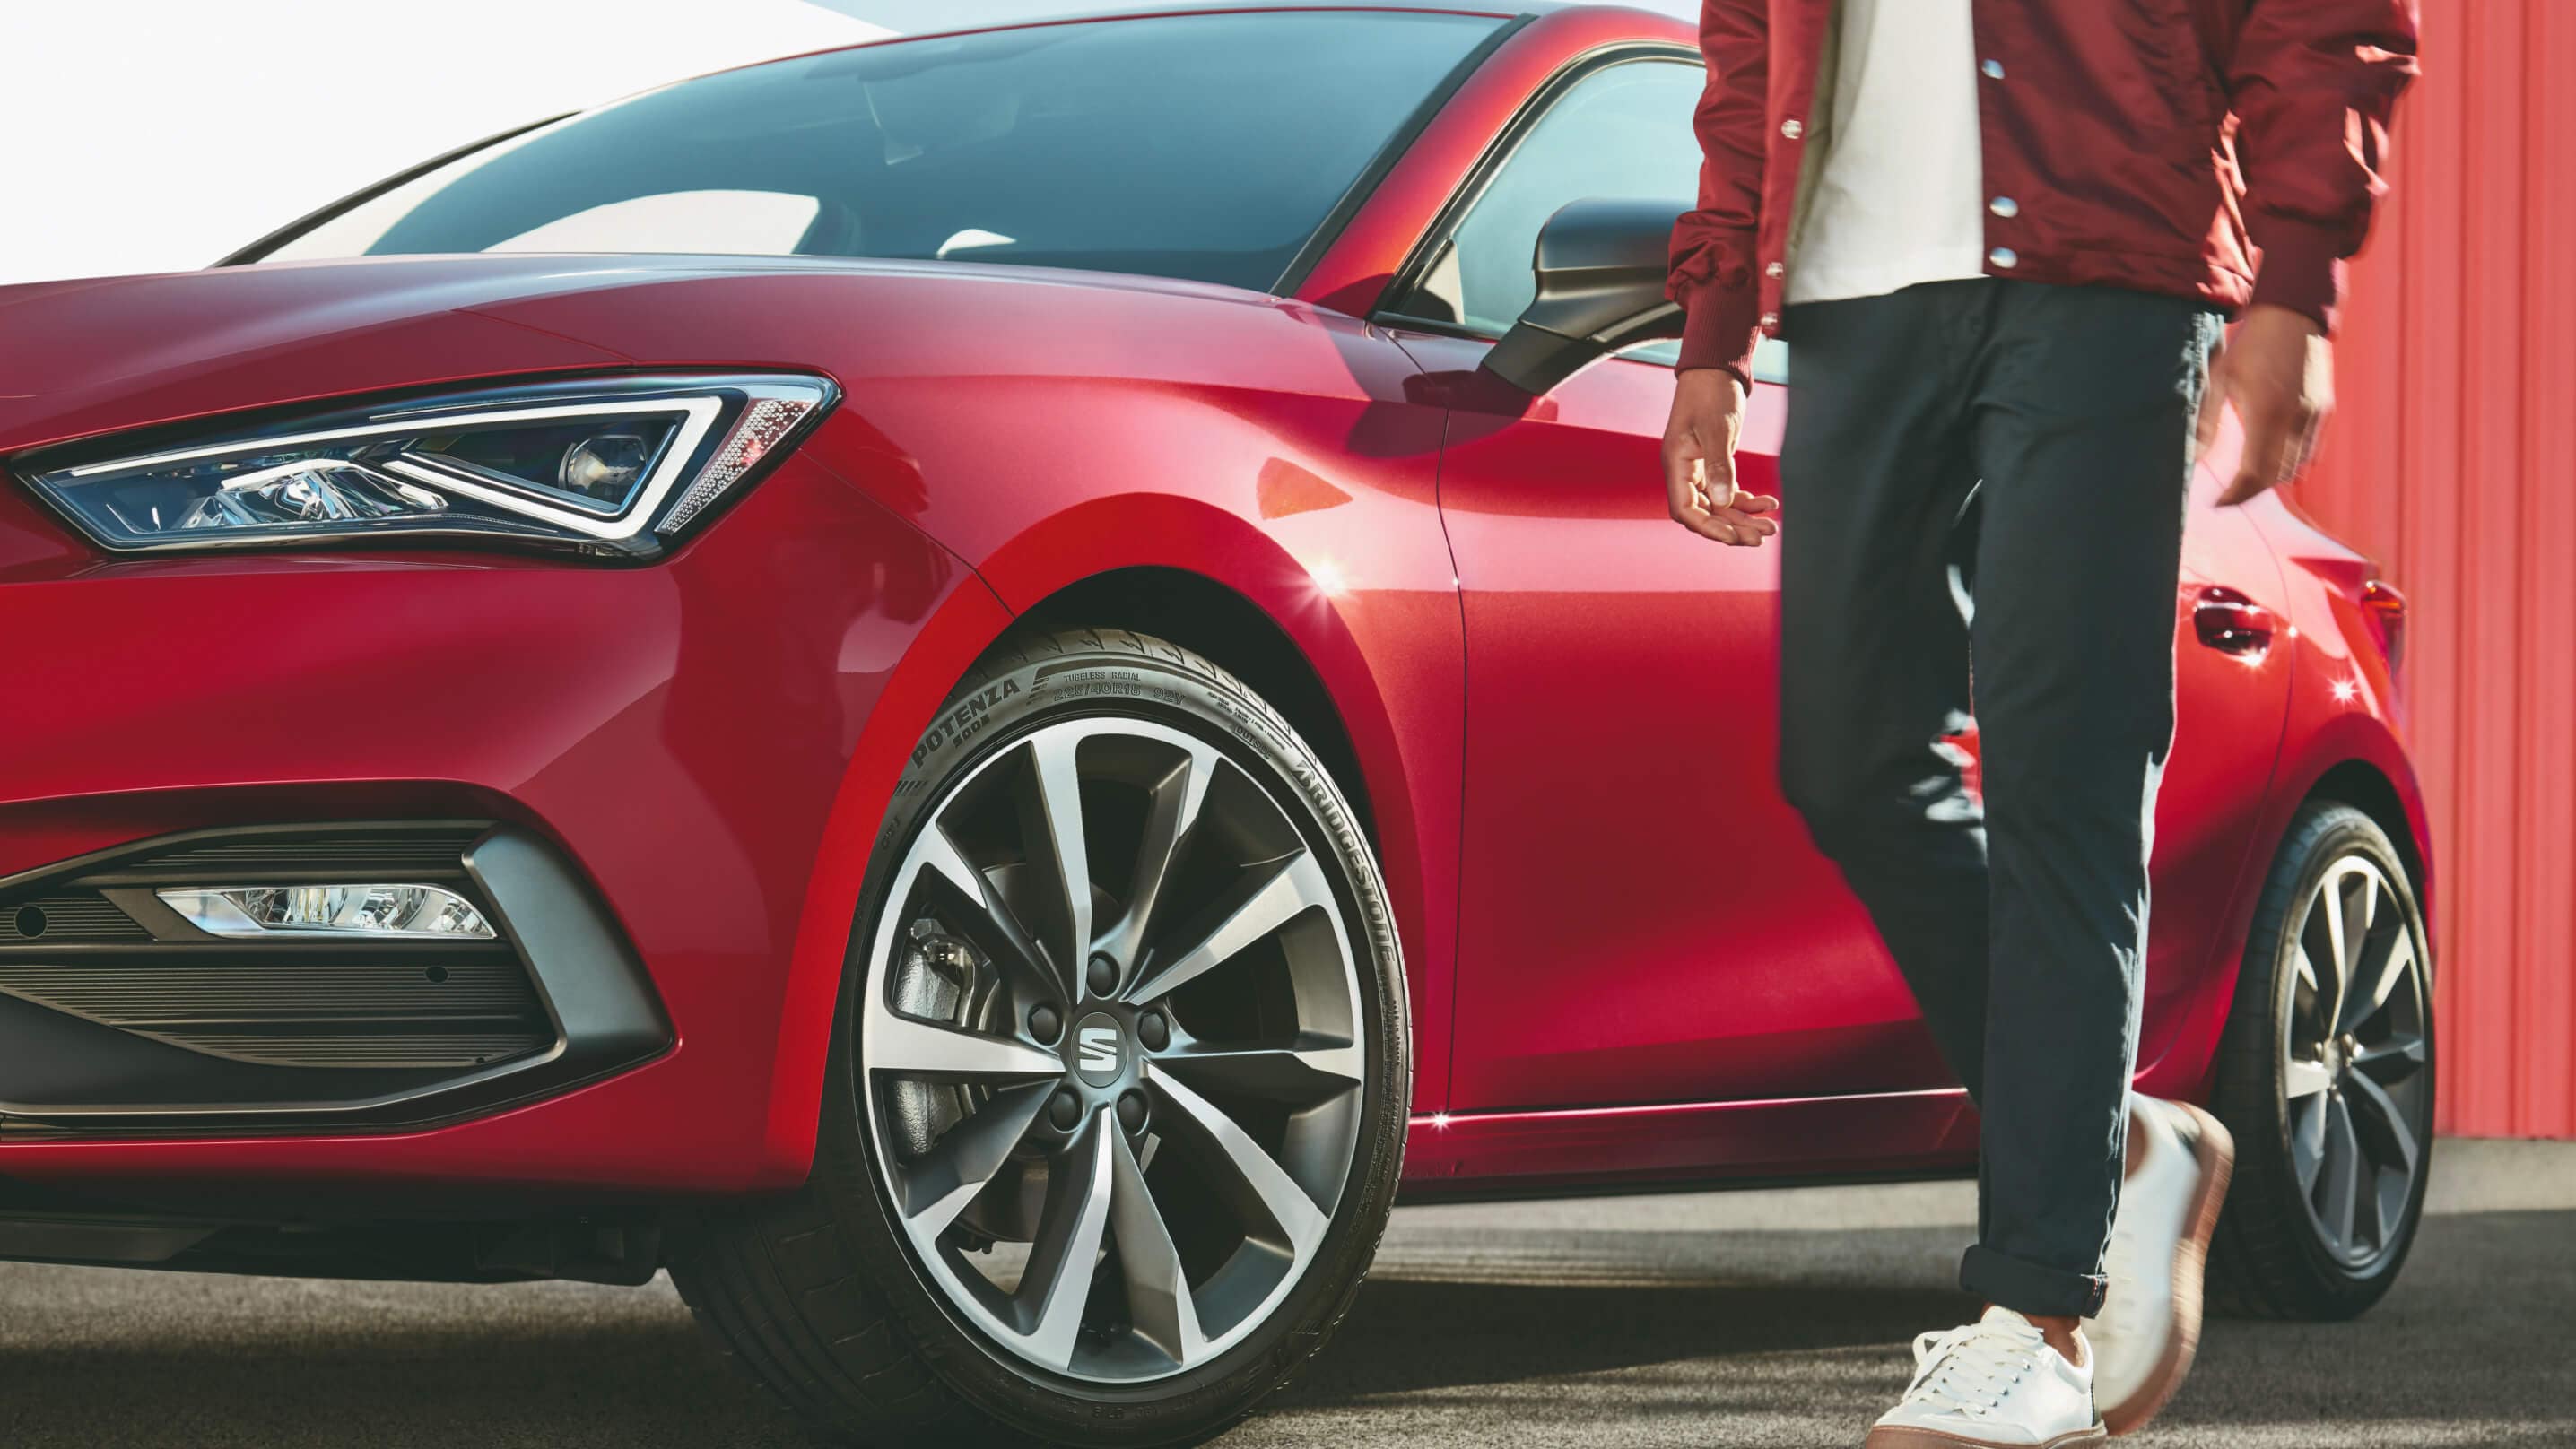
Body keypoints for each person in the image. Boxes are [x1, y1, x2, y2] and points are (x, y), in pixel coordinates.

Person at [1658, 1, 2417, 1444]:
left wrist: (2296, 283)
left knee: (2066, 758)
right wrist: (1711, 331)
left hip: (2106, 262)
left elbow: (2326, 19)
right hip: (1853, 287)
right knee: (1850, 757)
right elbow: (1750, 49)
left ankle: (2039, 1321)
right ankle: (2116, 1140)